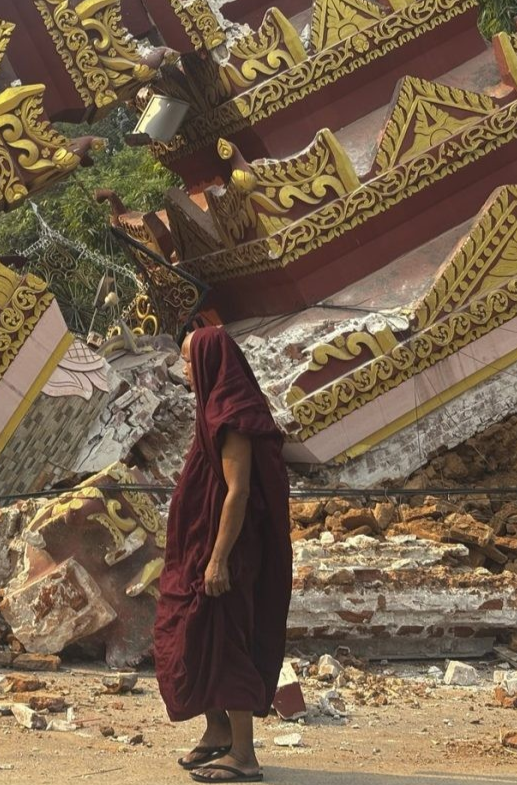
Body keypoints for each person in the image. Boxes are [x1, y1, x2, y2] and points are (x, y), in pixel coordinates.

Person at [153, 326, 293, 783]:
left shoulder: (234, 414)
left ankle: (245, 755)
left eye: (191, 362)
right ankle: (217, 734)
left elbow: (238, 492)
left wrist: (218, 559)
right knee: (195, 634)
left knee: (227, 639)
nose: (185, 371)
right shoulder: (212, 407)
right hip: (198, 547)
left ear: (212, 362)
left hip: (225, 552)